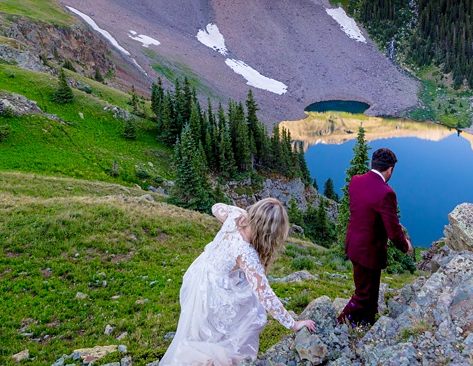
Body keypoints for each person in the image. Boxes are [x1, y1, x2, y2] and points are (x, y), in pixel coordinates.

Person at [160, 198, 316, 365]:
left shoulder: (236, 216)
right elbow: (265, 295)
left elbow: (215, 206)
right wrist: (293, 324)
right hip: (213, 288)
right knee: (251, 306)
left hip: (202, 271)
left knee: (202, 327)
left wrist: (235, 213)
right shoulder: (246, 253)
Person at [338, 147, 412, 327]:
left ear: (373, 164)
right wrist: (405, 246)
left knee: (370, 291)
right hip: (368, 252)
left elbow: (365, 211)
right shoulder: (386, 192)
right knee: (363, 294)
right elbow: (394, 233)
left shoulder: (356, 181)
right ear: (390, 169)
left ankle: (367, 322)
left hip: (354, 245)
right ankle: (338, 323)